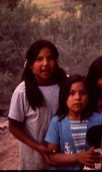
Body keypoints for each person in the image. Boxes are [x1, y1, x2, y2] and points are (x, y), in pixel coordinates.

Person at [8, 39, 68, 170]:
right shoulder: (22, 91)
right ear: (30, 65)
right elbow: (13, 127)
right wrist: (38, 147)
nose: (45, 64)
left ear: (56, 61)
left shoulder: (66, 85)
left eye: (50, 58)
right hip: (33, 161)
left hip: (64, 158)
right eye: (39, 59)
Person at [45, 74, 102, 170]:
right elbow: (52, 156)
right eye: (71, 93)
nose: (77, 97)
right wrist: (78, 157)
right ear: (64, 97)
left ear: (89, 96)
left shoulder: (99, 120)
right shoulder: (57, 122)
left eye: (82, 93)